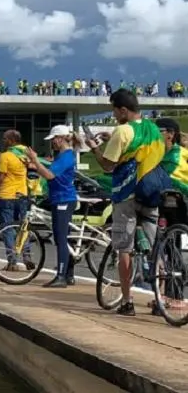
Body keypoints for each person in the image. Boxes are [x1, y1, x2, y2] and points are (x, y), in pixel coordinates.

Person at [85, 89, 170, 316]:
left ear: (123, 110)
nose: (113, 115)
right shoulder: (153, 128)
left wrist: (94, 147)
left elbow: (108, 165)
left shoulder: (122, 131)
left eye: (114, 111)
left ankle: (127, 302)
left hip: (127, 195)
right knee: (155, 247)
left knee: (125, 247)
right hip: (151, 192)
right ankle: (159, 301)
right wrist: (110, 137)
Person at [26, 125, 80, 288]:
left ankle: (61, 276)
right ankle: (69, 274)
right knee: (64, 238)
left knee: (61, 238)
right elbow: (51, 171)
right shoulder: (62, 156)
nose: (52, 144)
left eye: (53, 140)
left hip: (63, 199)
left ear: (60, 138)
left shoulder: (66, 156)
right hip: (59, 198)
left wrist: (35, 159)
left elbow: (50, 175)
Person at [0, 130, 32, 272]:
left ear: (11, 140)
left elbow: (1, 177)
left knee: (8, 228)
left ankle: (12, 261)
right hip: (22, 194)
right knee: (23, 226)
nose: (3, 140)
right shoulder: (25, 154)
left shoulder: (6, 156)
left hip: (6, 195)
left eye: (5, 138)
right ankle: (27, 255)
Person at [157, 117, 188, 197]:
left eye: (158, 130)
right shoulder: (152, 154)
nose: (153, 134)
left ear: (171, 134)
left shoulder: (182, 154)